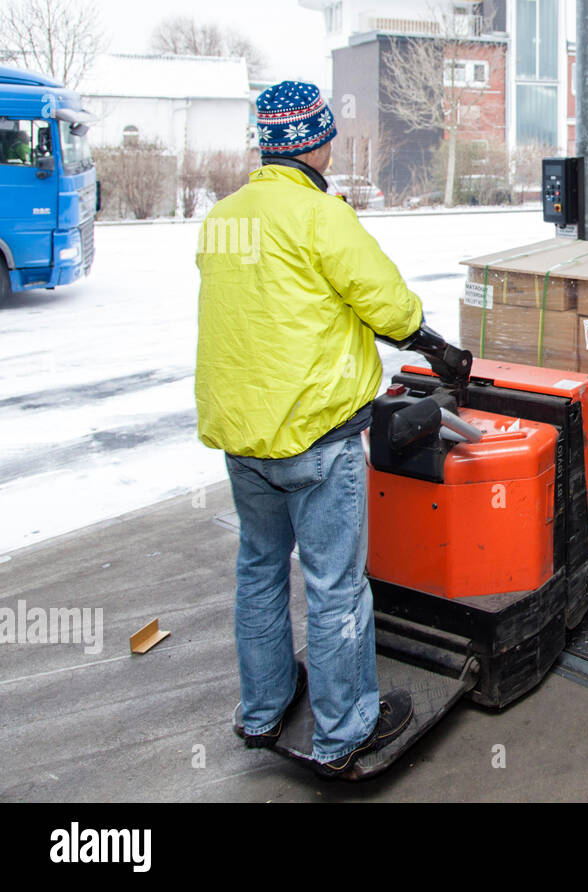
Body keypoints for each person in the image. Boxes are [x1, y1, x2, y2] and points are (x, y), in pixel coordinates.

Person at [195, 80, 420, 779]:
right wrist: (422, 334)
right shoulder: (321, 216)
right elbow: (391, 307)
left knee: (260, 570)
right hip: (316, 439)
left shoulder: (223, 218)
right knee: (334, 585)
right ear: (314, 141)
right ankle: (345, 730)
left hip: (243, 437)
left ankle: (262, 710)